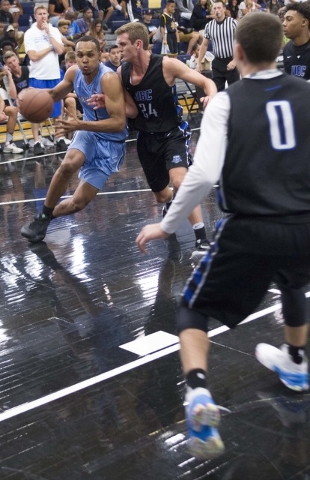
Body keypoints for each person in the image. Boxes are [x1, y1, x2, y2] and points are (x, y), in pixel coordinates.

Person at [136, 11, 310, 460]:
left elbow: (203, 175)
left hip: (250, 227)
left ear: (236, 51)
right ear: (278, 50)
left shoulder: (227, 103)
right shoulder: (307, 94)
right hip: (304, 225)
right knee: (294, 283)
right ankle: (295, 364)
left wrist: (167, 223)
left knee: (192, 312)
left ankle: (197, 395)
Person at [114, 21, 217, 256]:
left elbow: (204, 81)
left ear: (138, 44)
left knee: (181, 182)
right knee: (162, 195)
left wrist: (212, 96)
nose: (118, 49)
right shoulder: (122, 73)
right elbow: (132, 111)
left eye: (122, 44)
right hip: (145, 138)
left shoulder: (166, 65)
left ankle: (201, 238)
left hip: (172, 133)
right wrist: (110, 102)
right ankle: (171, 205)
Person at [20, 36, 135, 244]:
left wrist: (79, 124)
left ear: (100, 56)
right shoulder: (73, 73)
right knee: (68, 165)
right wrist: (29, 97)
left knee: (78, 203)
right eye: (80, 55)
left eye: (90, 55)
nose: (84, 60)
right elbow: (53, 94)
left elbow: (118, 123)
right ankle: (42, 217)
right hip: (88, 131)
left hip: (111, 141)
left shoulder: (108, 79)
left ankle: (49, 216)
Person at [24, 4, 68, 155]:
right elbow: (33, 56)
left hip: (54, 75)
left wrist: (49, 35)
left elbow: (61, 50)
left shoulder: (54, 31)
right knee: (36, 109)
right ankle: (36, 141)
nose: (43, 16)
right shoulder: (30, 33)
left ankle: (60, 138)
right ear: (35, 16)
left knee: (57, 110)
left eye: (45, 14)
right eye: (40, 14)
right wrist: (50, 48)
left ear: (48, 16)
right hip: (38, 76)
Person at [196, 0, 239, 92]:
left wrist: (235, 60)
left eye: (219, 8)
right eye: (214, 8)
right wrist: (199, 62)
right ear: (212, 11)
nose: (217, 10)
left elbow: (241, 43)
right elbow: (204, 45)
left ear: (224, 9)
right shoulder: (209, 26)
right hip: (218, 62)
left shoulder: (233, 23)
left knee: (235, 92)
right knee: (217, 92)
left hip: (231, 61)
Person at [282, 1, 310, 80]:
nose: (283, 23)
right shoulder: (287, 48)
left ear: (304, 22)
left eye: (289, 19)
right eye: (284, 20)